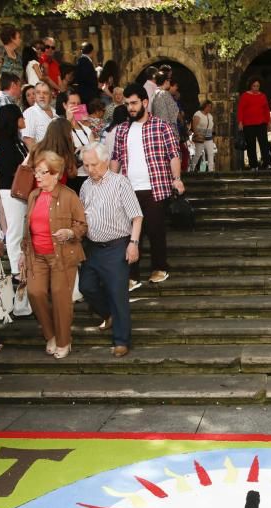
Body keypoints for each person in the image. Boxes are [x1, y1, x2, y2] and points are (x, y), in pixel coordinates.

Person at [110, 83, 183, 289]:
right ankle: (131, 275)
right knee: (130, 233)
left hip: (155, 188)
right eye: (127, 104)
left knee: (155, 230)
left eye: (133, 103)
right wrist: (109, 183)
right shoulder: (122, 130)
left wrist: (176, 178)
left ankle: (160, 267)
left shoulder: (161, 126)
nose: (130, 108)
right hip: (128, 190)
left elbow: (173, 155)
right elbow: (116, 158)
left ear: (144, 102)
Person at [77, 142, 143, 358]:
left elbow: (137, 216)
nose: (89, 169)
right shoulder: (85, 185)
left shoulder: (120, 183)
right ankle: (108, 313)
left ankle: (121, 340)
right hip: (93, 247)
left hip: (117, 246)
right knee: (86, 286)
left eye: (93, 164)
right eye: (86, 165)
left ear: (105, 161)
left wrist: (133, 244)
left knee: (118, 294)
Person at [21, 151, 86, 359]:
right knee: (35, 292)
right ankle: (50, 335)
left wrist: (70, 233)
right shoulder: (33, 195)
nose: (37, 176)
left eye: (43, 172)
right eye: (36, 171)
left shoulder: (69, 195)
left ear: (56, 174)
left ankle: (64, 340)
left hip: (62, 256)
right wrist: (24, 253)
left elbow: (82, 225)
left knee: (60, 297)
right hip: (36, 255)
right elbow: (27, 227)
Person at [0, 105, 29, 282]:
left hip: (21, 187)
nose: (24, 120)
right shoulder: (5, 143)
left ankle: (22, 264)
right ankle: (15, 268)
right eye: (21, 116)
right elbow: (9, 169)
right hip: (11, 189)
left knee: (21, 226)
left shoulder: (17, 141)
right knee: (15, 227)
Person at [237, 77, 271, 170]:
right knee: (251, 145)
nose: (256, 88)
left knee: (264, 144)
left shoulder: (263, 96)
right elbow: (240, 110)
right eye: (254, 86)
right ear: (250, 86)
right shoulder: (245, 96)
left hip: (261, 123)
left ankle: (267, 163)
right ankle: (253, 165)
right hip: (248, 124)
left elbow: (266, 110)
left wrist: (269, 123)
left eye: (258, 86)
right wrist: (240, 122)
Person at [22, 80, 56, 148]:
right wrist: (40, 158)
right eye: (38, 93)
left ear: (51, 96)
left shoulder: (55, 112)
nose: (41, 96)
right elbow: (28, 140)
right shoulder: (29, 113)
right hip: (43, 157)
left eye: (45, 93)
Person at [0, 72, 21, 136]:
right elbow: (3, 127)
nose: (21, 89)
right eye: (19, 85)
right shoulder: (0, 101)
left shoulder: (10, 102)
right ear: (13, 85)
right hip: (4, 144)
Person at [0, 25, 23, 95]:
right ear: (12, 38)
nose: (20, 40)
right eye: (19, 37)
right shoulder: (0, 52)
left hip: (16, 95)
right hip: (4, 94)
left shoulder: (18, 56)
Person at [191, 100, 215, 172]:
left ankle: (211, 170)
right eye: (208, 106)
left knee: (211, 154)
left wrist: (213, 134)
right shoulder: (198, 114)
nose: (210, 108)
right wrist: (196, 134)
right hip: (200, 138)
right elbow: (194, 125)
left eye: (211, 107)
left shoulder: (210, 116)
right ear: (204, 106)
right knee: (198, 154)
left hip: (209, 138)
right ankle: (192, 168)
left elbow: (211, 126)